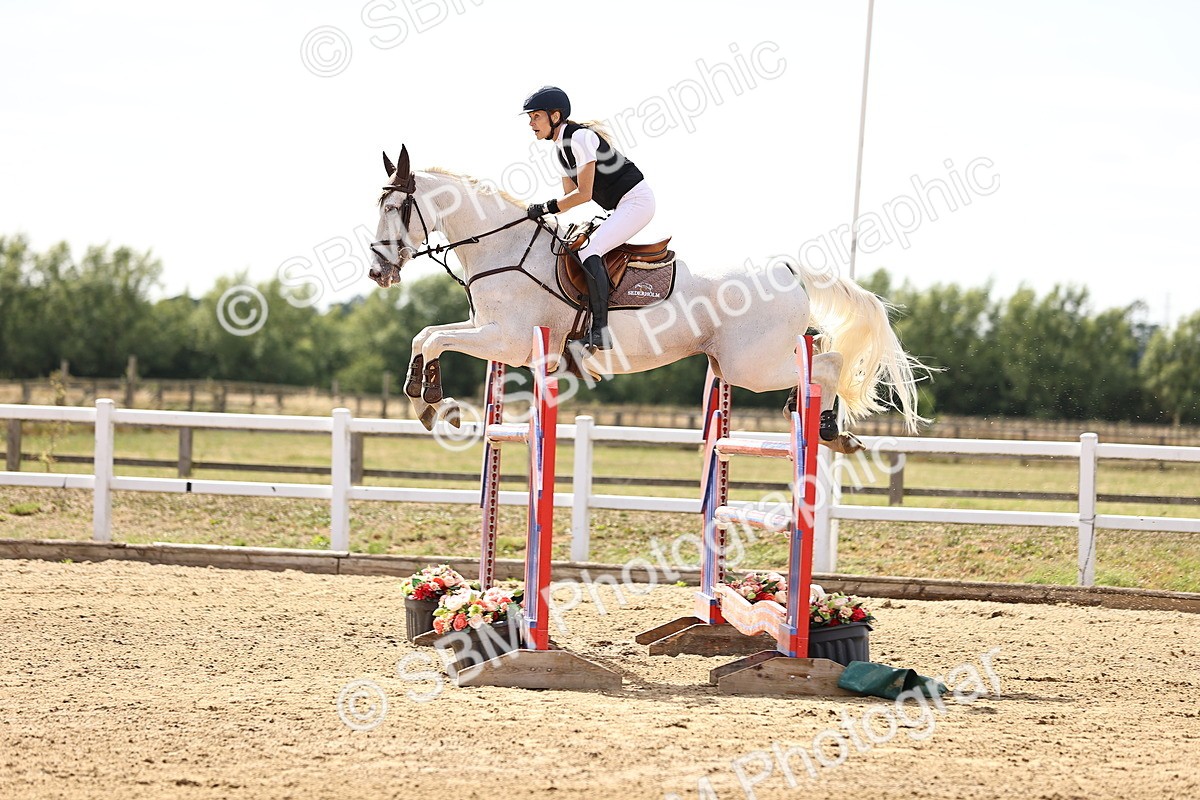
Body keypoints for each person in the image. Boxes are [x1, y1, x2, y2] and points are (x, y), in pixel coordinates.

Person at [522, 85, 656, 351]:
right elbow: (568, 196)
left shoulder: (580, 138)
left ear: (555, 116)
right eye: (530, 118)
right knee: (574, 246)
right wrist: (543, 211)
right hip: (619, 206)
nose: (531, 123)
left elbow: (582, 195)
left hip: (637, 201)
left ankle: (601, 331)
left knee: (590, 250)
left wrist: (546, 207)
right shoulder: (560, 150)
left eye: (536, 116)